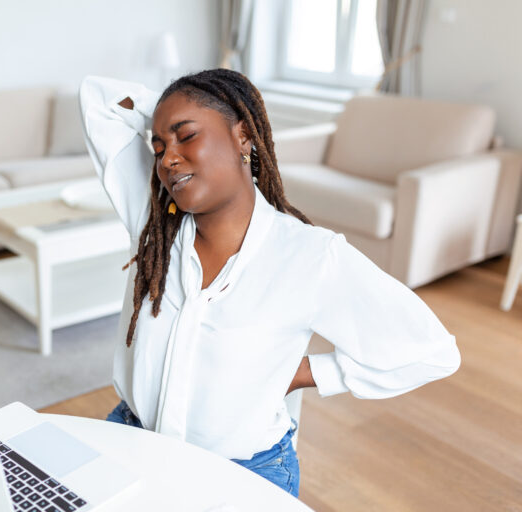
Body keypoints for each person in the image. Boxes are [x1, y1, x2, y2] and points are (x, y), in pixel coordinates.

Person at [77, 69, 461, 498]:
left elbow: (431, 352)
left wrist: (305, 372)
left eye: (186, 136)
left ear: (244, 136)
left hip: (244, 473)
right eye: (159, 146)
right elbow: (98, 98)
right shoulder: (153, 223)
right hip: (133, 440)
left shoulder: (310, 256)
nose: (167, 158)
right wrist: (168, 111)